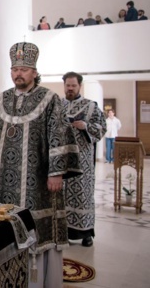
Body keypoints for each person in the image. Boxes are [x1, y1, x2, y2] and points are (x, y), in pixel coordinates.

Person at [0, 42, 80, 288]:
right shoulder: (1, 100)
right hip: (0, 180)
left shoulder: (49, 99)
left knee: (35, 229)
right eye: (15, 69)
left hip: (37, 180)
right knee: (1, 225)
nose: (18, 73)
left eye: (24, 69)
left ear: (34, 71)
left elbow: (59, 134)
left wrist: (57, 171)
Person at [62, 72, 107, 247]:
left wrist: (85, 126)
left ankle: (86, 234)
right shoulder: (58, 105)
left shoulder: (90, 106)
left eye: (73, 85)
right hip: (63, 160)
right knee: (62, 196)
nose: (70, 88)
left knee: (83, 195)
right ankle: (64, 232)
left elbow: (101, 127)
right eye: (68, 85)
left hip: (83, 162)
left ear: (79, 86)